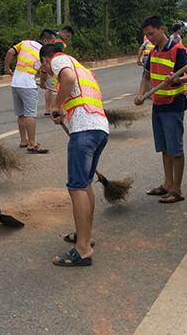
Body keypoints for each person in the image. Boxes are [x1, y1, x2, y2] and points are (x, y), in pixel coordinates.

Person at [41, 43, 109, 267]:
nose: (50, 73)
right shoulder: (84, 69)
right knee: (86, 183)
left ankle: (83, 249)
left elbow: (67, 80)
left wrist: (58, 106)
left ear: (46, 60)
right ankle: (85, 236)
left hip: (84, 130)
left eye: (46, 68)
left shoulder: (59, 60)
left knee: (76, 186)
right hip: (99, 127)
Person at [133, 16, 187, 204]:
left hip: (174, 104)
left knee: (175, 147)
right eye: (146, 35)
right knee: (165, 148)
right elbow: (146, 76)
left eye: (151, 33)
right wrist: (141, 95)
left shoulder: (178, 50)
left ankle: (177, 189)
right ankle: (168, 184)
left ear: (162, 29)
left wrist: (177, 79)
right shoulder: (152, 52)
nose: (149, 38)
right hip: (158, 104)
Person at [4, 29, 57, 154]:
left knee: (21, 113)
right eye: (52, 42)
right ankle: (32, 143)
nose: (53, 45)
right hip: (28, 84)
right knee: (30, 114)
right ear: (45, 40)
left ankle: (24, 140)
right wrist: (43, 83)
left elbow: (9, 52)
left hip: (15, 83)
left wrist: (7, 68)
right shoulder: (44, 53)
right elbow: (44, 73)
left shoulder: (24, 43)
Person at [45, 26, 75, 115]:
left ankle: (47, 109)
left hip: (46, 65)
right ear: (63, 33)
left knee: (48, 89)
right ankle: (54, 109)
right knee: (54, 89)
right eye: (67, 36)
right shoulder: (59, 42)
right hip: (53, 66)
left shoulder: (53, 37)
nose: (67, 38)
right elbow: (59, 56)